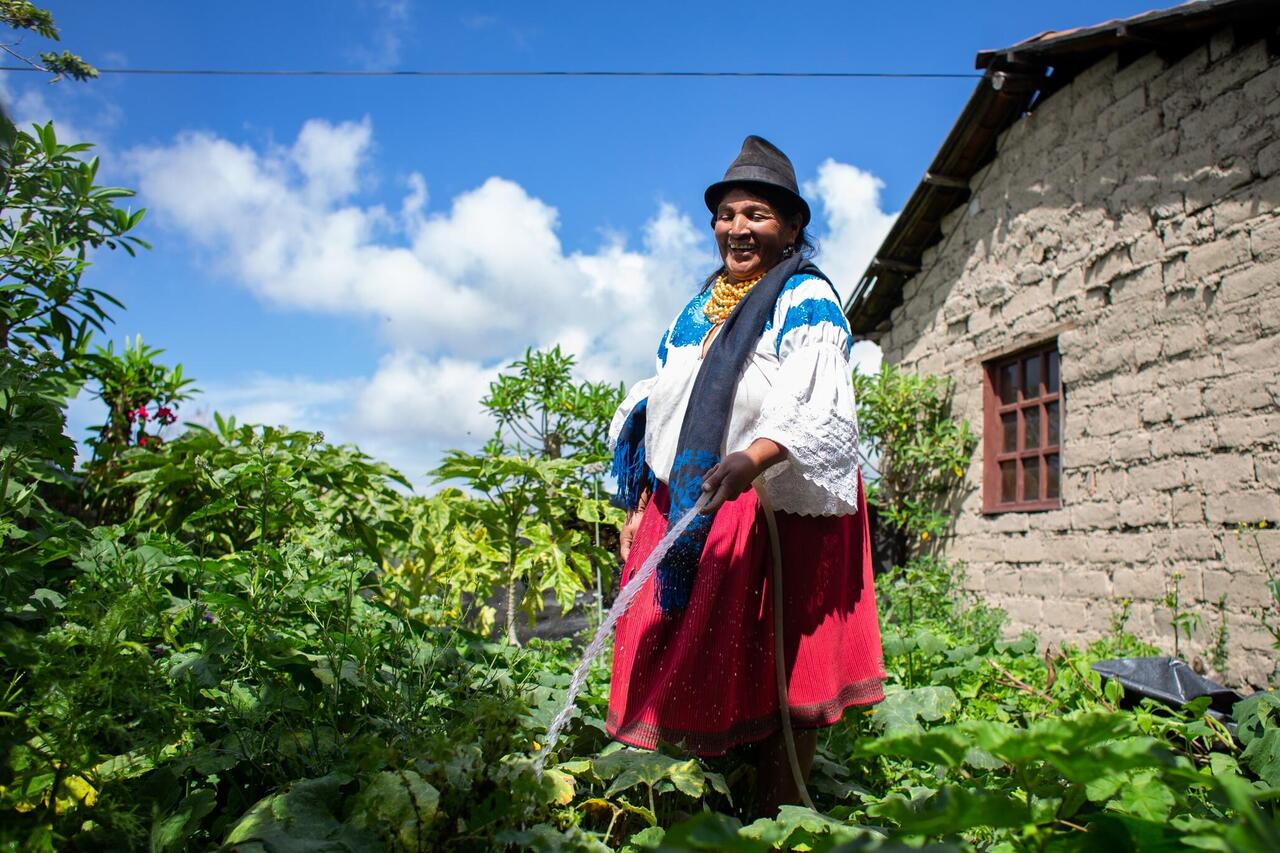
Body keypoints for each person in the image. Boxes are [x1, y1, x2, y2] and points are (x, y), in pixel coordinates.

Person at [606, 135, 886, 814]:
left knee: (786, 659)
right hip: (699, 494)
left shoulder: (804, 297)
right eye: (726, 215)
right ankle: (695, 806)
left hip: (778, 502)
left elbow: (815, 399)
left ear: (791, 228)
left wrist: (754, 457)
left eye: (757, 214)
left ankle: (776, 813)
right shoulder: (697, 308)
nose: (738, 227)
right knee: (694, 646)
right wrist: (641, 503)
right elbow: (665, 401)